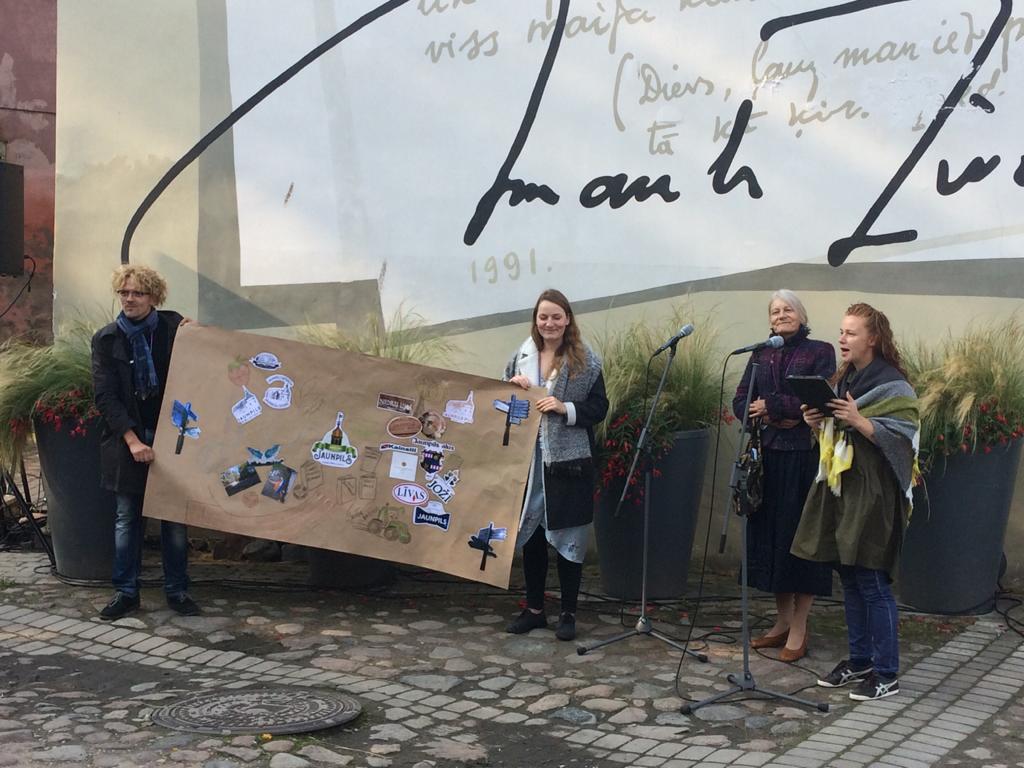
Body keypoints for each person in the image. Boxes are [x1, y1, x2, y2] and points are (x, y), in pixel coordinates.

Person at [793, 303, 919, 701]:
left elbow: (905, 438)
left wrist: (859, 419)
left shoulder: (894, 385)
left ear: (873, 339)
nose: (842, 339)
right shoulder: (845, 378)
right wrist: (817, 423)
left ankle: (887, 674)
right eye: (841, 332)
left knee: (871, 578)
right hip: (843, 487)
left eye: (850, 333)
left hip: (875, 492)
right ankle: (861, 660)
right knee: (848, 575)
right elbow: (837, 434)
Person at [732, 290, 836, 662]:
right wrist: (772, 412)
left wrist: (772, 406)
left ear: (801, 315)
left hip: (805, 457)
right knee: (772, 542)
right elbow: (740, 401)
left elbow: (820, 399)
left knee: (800, 542)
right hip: (767, 459)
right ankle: (782, 621)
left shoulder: (820, 351)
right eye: (775, 311)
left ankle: (800, 628)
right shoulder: (761, 354)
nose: (780, 315)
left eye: (787, 309)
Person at [92, 265, 200, 620]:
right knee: (127, 518)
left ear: (153, 297)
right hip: (129, 437)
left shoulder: (174, 328)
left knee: (173, 518)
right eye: (124, 293)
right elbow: (106, 397)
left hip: (173, 435)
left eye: (137, 293)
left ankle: (177, 591)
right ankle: (126, 592)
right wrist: (132, 440)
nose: (129, 299)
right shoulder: (107, 339)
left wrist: (201, 335)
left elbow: (206, 363)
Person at [504, 289, 608, 641]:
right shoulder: (520, 356)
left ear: (567, 320)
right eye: (543, 316)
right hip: (530, 460)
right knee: (532, 536)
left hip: (569, 461)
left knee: (569, 536)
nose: (549, 323)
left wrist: (565, 408)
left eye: (556, 316)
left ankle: (568, 613)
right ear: (536, 320)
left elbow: (599, 408)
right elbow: (501, 404)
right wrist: (513, 387)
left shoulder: (586, 362)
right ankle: (535, 610)